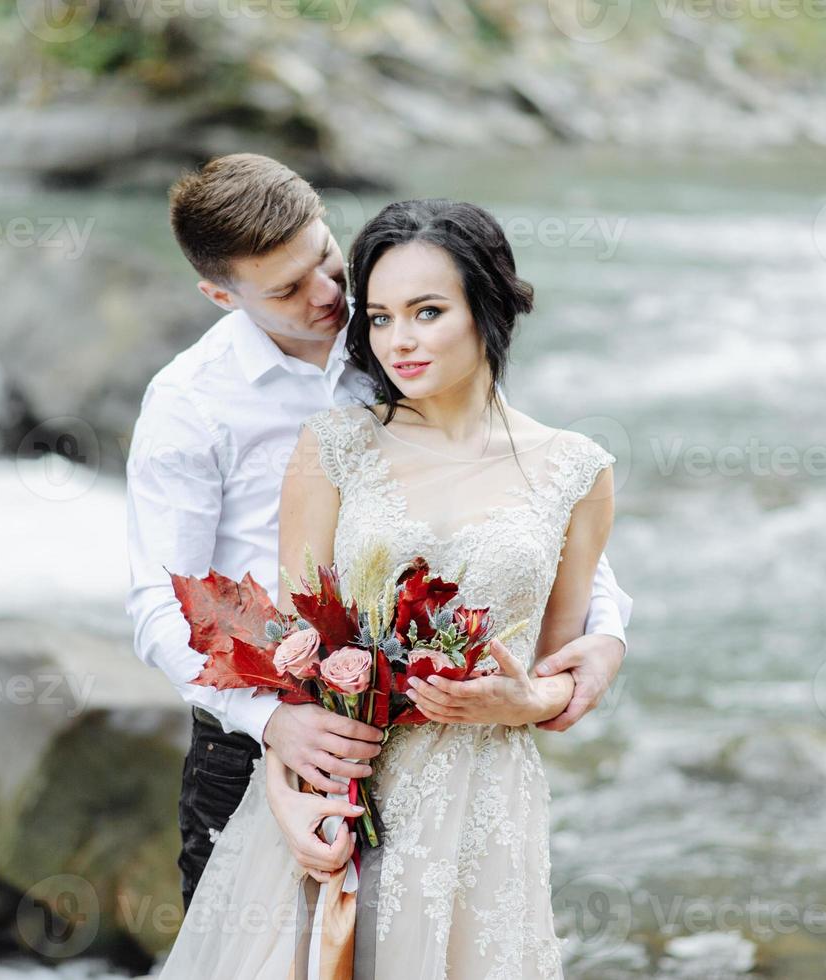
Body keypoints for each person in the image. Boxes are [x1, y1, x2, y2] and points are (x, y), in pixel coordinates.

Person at [125, 154, 632, 918]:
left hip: (435, 744)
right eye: (287, 290)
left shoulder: (402, 328)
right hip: (265, 737)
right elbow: (160, 606)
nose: (329, 297)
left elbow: (510, 498)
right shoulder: (190, 406)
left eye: (326, 261)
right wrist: (276, 726)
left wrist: (606, 634)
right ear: (220, 295)